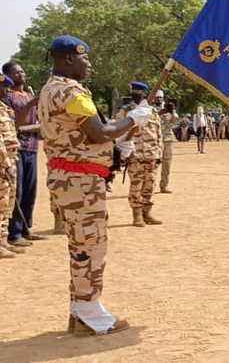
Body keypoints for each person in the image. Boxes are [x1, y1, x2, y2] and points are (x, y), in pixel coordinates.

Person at [40, 35, 152, 335]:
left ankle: (81, 311)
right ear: (67, 59)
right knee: (91, 247)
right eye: (84, 58)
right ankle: (89, 313)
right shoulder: (67, 91)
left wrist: (116, 150)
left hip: (75, 178)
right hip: (79, 183)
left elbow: (85, 137)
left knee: (82, 245)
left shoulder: (55, 89)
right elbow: (100, 131)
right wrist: (132, 120)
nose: (89, 63)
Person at [2, 62, 47, 247]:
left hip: (32, 146)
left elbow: (40, 123)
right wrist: (29, 106)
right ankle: (15, 232)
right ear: (8, 76)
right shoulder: (8, 96)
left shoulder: (29, 94)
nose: (22, 74)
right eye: (17, 72)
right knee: (17, 191)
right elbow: (14, 124)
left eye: (22, 70)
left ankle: (27, 229)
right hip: (16, 148)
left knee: (30, 190)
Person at [126, 81, 163, 227]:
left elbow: (158, 134)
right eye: (134, 93)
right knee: (136, 185)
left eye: (140, 94)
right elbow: (121, 135)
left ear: (144, 95)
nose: (137, 96)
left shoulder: (152, 113)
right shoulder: (127, 112)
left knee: (150, 185)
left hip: (152, 155)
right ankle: (136, 215)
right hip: (135, 156)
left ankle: (147, 213)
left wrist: (159, 153)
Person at [0, 73, 25, 258]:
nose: (7, 90)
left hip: (10, 162)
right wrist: (5, 164)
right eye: (3, 87)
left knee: (6, 205)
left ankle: (3, 241)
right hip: (3, 165)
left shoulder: (4, 109)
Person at [156, 92, 178, 193]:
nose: (158, 99)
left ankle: (164, 185)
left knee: (167, 163)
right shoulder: (151, 109)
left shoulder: (169, 108)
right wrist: (159, 112)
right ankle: (149, 186)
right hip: (154, 139)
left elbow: (175, 122)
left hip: (167, 139)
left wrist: (172, 111)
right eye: (157, 98)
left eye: (160, 97)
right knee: (153, 163)